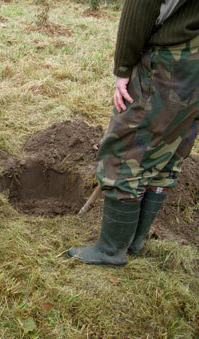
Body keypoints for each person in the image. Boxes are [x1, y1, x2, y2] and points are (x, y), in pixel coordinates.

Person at [67, 0, 199, 265]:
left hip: (169, 59)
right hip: (193, 61)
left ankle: (110, 250)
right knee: (169, 149)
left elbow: (139, 9)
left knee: (123, 151)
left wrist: (123, 68)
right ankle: (135, 241)